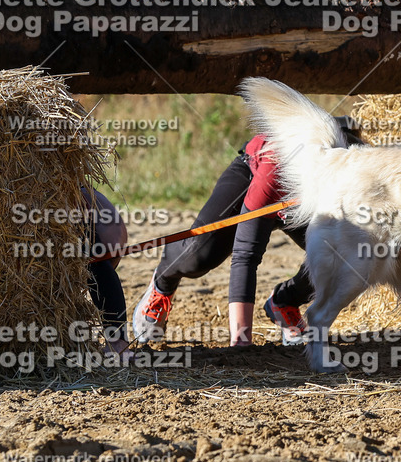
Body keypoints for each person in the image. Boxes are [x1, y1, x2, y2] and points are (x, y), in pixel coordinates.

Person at [132, 119, 363, 347]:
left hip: (301, 202)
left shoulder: (358, 174)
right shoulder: (276, 168)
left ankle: (285, 302)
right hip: (253, 176)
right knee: (200, 255)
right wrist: (241, 341)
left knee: (341, 255)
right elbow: (245, 254)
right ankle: (163, 282)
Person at [83, 187, 130, 354]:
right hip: (104, 228)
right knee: (94, 260)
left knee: (94, 260)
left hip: (103, 232)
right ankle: (118, 341)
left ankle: (118, 342)